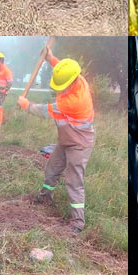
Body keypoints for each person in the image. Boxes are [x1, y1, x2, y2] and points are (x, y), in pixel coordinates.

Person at [17, 47, 94, 233]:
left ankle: (77, 223)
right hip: (66, 139)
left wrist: (25, 105)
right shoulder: (76, 77)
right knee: (52, 169)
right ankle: (45, 198)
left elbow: (43, 111)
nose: (60, 88)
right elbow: (62, 68)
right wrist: (50, 58)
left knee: (74, 181)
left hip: (79, 144)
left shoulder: (72, 101)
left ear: (72, 82)